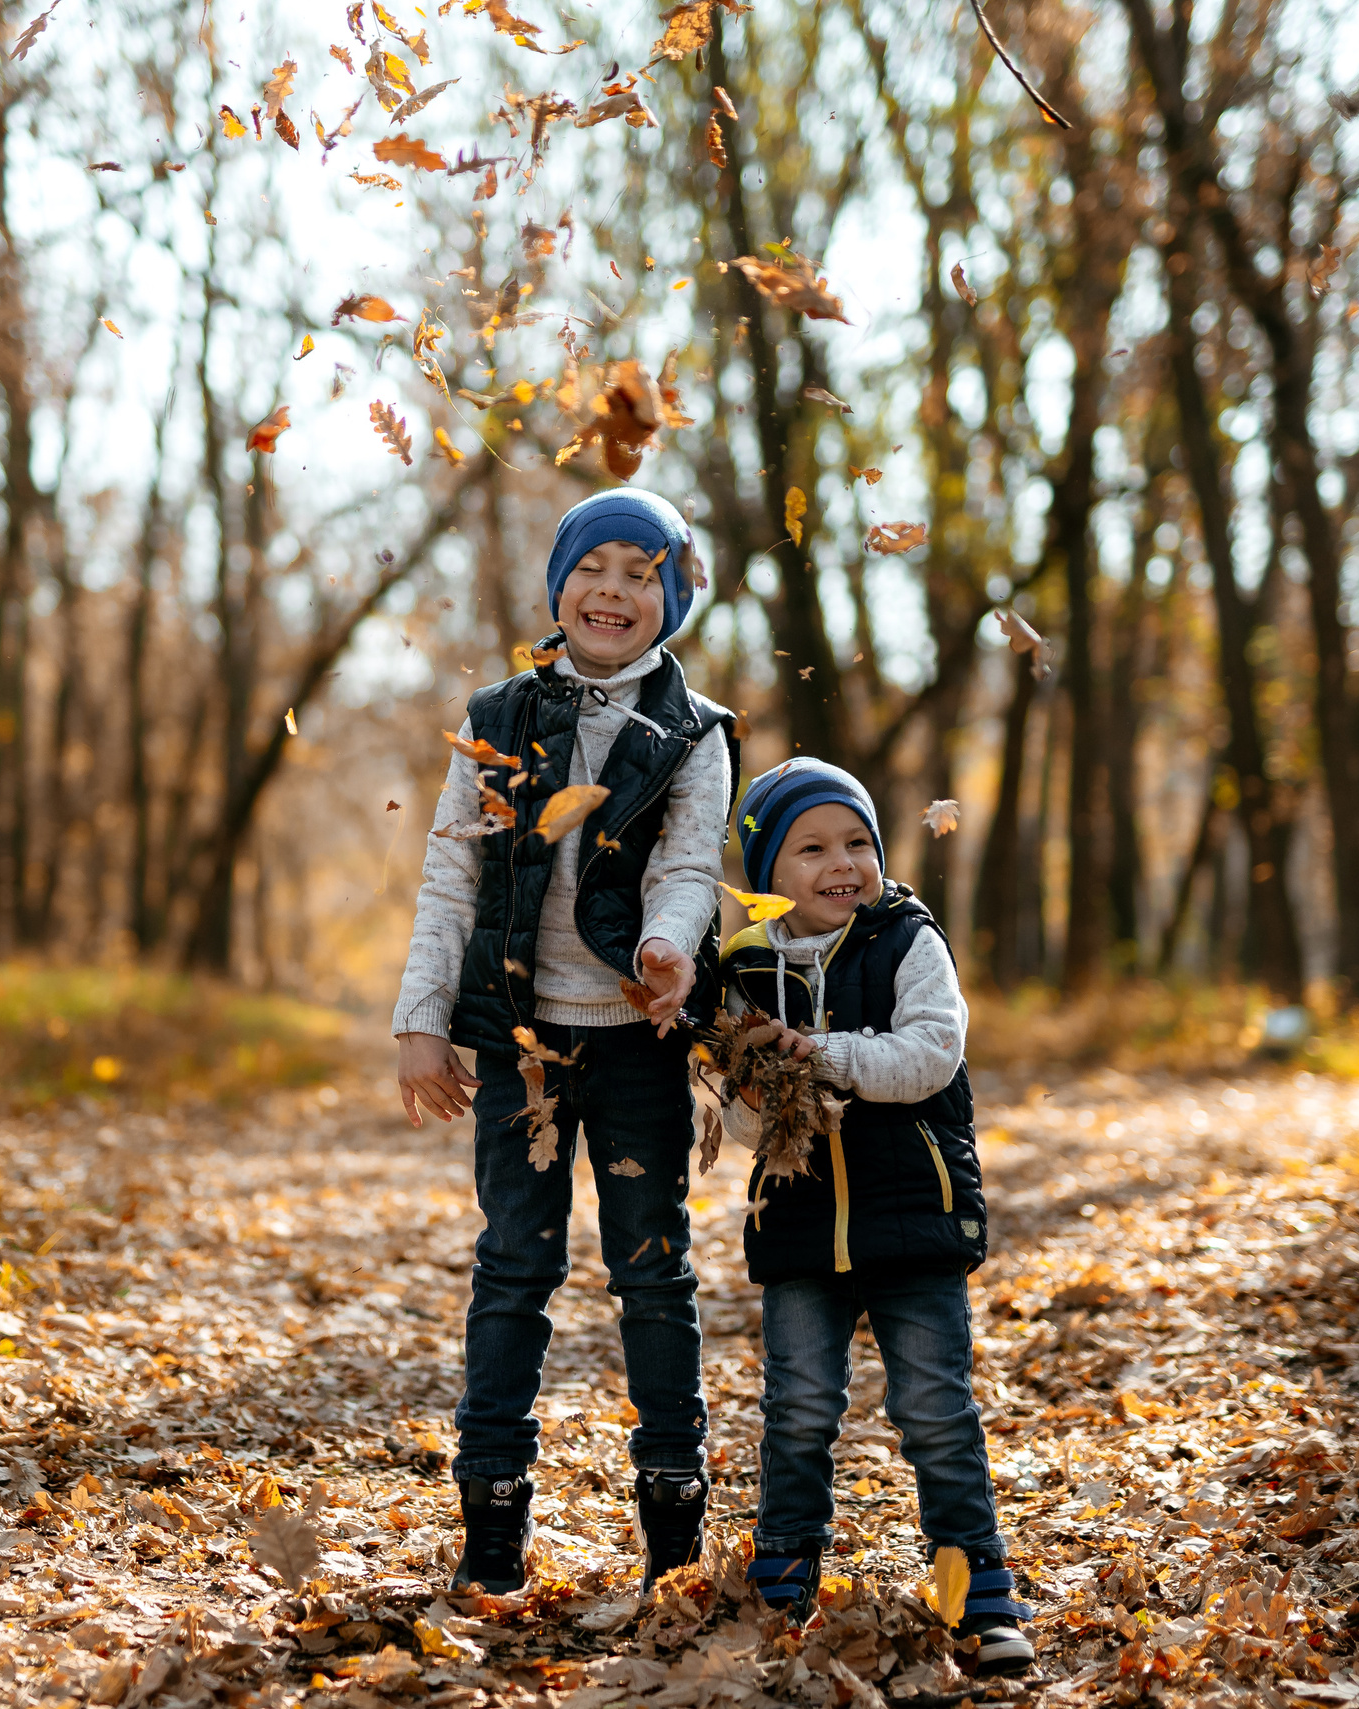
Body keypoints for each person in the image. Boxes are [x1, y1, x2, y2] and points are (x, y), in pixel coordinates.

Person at [393, 488, 739, 1595]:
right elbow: (451, 873)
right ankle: (492, 1517)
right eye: (598, 567)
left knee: (653, 1272)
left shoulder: (694, 733)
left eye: (644, 575)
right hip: (522, 1046)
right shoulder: (496, 715)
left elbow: (687, 864)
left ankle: (672, 1519)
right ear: (560, 584)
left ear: (670, 601)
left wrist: (669, 946)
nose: (615, 591)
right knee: (512, 1270)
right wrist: (420, 1019)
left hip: (638, 1040)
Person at [717, 758, 1033, 1672]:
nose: (840, 862)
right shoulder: (746, 966)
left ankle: (981, 1593)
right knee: (800, 1406)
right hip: (801, 1228)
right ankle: (783, 1581)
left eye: (857, 842)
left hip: (913, 1220)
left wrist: (817, 1053)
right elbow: (743, 1124)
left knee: (935, 1408)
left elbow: (930, 1054)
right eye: (810, 848)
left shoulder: (906, 939)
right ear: (770, 873)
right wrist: (749, 1080)